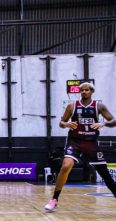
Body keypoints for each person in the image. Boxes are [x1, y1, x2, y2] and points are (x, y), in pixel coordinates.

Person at [44, 82, 116, 212]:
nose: (84, 92)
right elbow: (61, 123)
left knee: (105, 174)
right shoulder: (72, 106)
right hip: (75, 141)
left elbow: (113, 121)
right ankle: (54, 199)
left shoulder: (99, 106)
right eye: (82, 90)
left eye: (87, 90)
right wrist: (66, 124)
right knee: (65, 166)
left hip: (91, 142)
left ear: (91, 92)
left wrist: (103, 124)